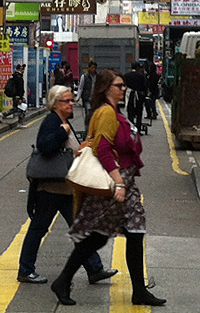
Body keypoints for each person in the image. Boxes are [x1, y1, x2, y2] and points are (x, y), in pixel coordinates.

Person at [51, 69, 166, 307]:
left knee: (128, 234)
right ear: (106, 88)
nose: (123, 89)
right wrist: (119, 183)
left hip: (123, 184)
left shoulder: (114, 112)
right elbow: (102, 148)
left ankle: (138, 291)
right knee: (99, 237)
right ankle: (63, 280)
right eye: (119, 85)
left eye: (124, 86)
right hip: (114, 184)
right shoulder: (106, 113)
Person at [17, 85, 117, 284]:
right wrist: (62, 133)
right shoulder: (52, 121)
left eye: (72, 100)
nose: (72, 103)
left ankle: (94, 268)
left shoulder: (63, 121)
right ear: (55, 104)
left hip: (65, 189)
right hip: (51, 189)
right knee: (38, 229)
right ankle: (25, 270)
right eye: (67, 101)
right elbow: (44, 146)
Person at [124, 62, 147, 133]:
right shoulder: (141, 75)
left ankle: (130, 129)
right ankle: (138, 130)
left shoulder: (126, 75)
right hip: (139, 96)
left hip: (129, 95)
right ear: (137, 68)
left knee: (130, 113)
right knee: (139, 113)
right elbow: (144, 86)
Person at [3, 64, 27, 128]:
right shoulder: (18, 77)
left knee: (17, 108)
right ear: (19, 69)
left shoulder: (16, 76)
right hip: (17, 96)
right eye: (22, 69)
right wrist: (20, 97)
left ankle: (4, 114)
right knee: (20, 109)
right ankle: (19, 123)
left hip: (17, 96)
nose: (23, 70)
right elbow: (19, 88)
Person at [76, 61, 97, 130]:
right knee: (88, 113)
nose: (93, 69)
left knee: (94, 115)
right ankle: (87, 129)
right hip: (87, 98)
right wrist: (78, 97)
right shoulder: (84, 76)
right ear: (89, 68)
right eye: (92, 67)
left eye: (94, 68)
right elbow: (81, 87)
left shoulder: (97, 77)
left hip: (95, 99)